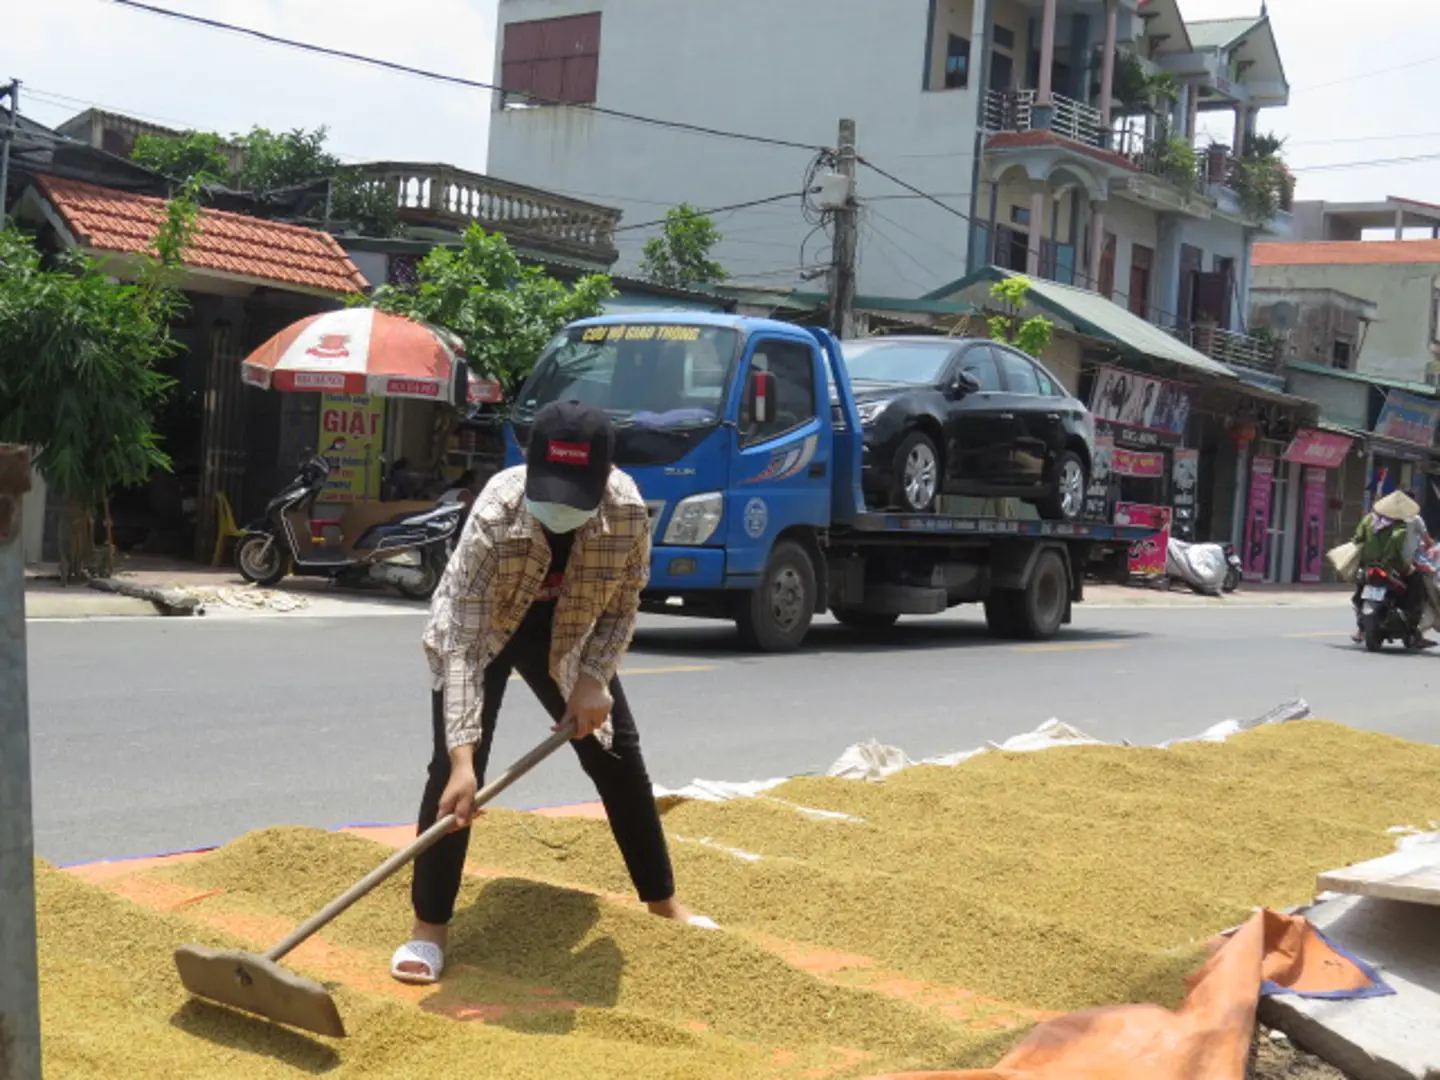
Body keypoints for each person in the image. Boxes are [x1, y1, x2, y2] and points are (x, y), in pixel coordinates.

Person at [391, 401, 710, 985]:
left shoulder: (630, 512)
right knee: (452, 779)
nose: (559, 507)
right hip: (484, 629)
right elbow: (462, 643)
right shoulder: (494, 511)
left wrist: (593, 680)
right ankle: (428, 930)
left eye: (575, 494)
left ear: (603, 476)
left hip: (569, 632)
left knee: (618, 756)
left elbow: (622, 605)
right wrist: (464, 760)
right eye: (551, 490)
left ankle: (663, 902)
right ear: (530, 465)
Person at [1350, 489, 1434, 647]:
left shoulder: (1369, 520)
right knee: (1417, 581)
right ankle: (1412, 619)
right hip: (1393, 565)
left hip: (1369, 564)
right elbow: (1396, 547)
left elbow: (1357, 539)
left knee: (1360, 587)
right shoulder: (1401, 525)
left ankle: (1361, 629)